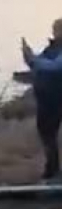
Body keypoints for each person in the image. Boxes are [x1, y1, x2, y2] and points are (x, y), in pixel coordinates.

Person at [22, 18, 62, 180]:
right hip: (46, 100)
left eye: (57, 29)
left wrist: (33, 59)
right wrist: (28, 56)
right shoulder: (51, 48)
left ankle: (52, 171)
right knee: (46, 134)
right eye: (55, 29)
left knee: (49, 135)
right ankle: (52, 170)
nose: (55, 32)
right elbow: (39, 65)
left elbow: (55, 67)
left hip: (57, 99)